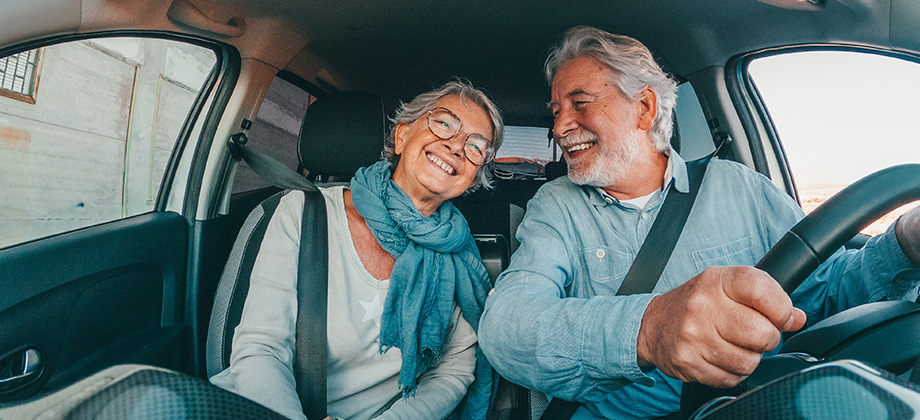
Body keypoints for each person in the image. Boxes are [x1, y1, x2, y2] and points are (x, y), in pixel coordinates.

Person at [477, 26, 920, 419]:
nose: (560, 127)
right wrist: (649, 329)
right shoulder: (557, 205)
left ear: (644, 108)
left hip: (754, 405)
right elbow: (507, 327)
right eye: (557, 110)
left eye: (579, 103)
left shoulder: (740, 186)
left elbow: (826, 291)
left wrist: (905, 241)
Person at [211, 80, 504, 420]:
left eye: (476, 146)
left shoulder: (460, 258)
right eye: (443, 123)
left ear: (473, 178)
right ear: (401, 135)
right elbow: (261, 348)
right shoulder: (303, 212)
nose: (456, 146)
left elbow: (453, 369)